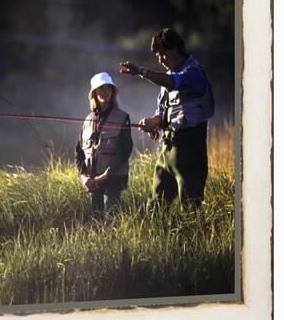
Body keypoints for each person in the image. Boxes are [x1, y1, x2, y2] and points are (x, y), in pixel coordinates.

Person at [120, 28, 214, 207]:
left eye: (163, 54)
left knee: (191, 205)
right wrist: (152, 122)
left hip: (191, 148)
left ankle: (192, 235)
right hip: (168, 148)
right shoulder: (167, 77)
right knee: (156, 204)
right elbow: (163, 113)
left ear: (176, 48)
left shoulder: (193, 73)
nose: (160, 59)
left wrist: (141, 71)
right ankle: (155, 234)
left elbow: (174, 83)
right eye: (157, 55)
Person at [75, 72, 133, 217]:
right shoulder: (88, 120)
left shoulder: (123, 117)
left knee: (111, 221)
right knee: (96, 222)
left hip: (113, 180)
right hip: (92, 181)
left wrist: (105, 175)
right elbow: (78, 152)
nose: (105, 91)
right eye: (101, 88)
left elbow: (124, 151)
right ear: (94, 93)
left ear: (113, 92)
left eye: (108, 88)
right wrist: (83, 177)